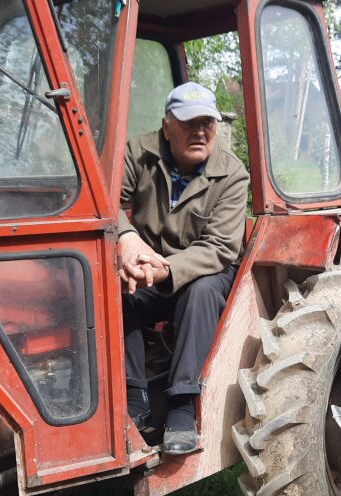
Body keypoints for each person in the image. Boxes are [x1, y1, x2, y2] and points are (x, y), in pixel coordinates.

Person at [117, 82, 248, 455]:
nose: (200, 132)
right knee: (114, 288)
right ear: (166, 126)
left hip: (202, 270)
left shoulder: (232, 174)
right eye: (189, 123)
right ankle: (134, 398)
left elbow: (221, 247)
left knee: (201, 290)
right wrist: (127, 239)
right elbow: (104, 200)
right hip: (146, 267)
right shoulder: (137, 152)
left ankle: (181, 406)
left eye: (208, 122)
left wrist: (165, 270)